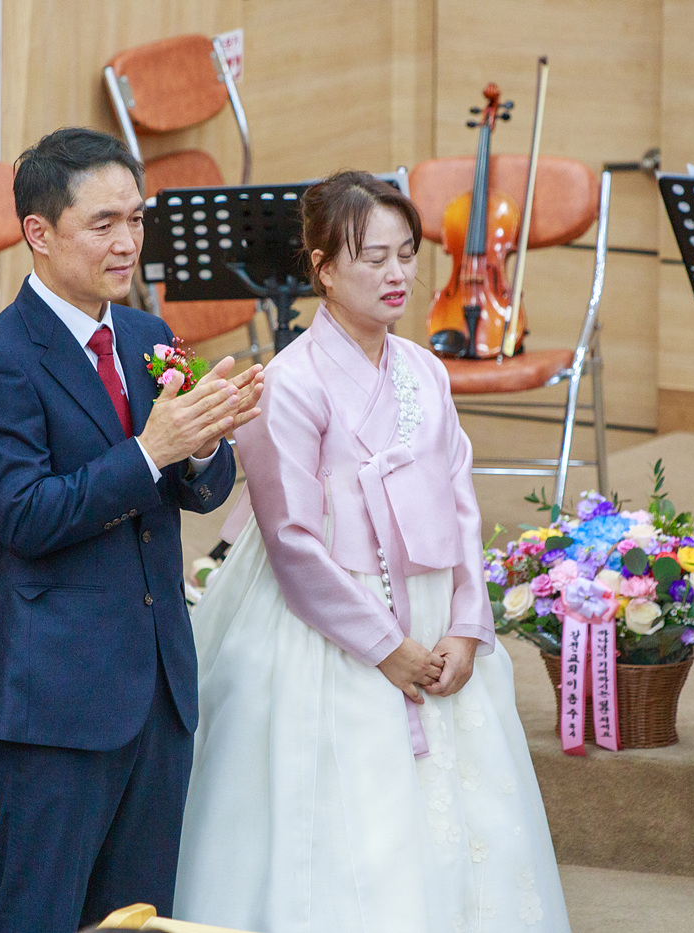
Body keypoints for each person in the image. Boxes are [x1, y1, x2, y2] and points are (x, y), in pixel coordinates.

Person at [173, 171, 570, 933]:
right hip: (331, 616)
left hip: (431, 601)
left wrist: (466, 624)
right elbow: (290, 539)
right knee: (350, 818)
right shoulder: (287, 382)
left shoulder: (425, 368)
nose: (397, 275)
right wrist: (388, 647)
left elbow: (460, 501)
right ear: (324, 268)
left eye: (406, 255)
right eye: (373, 258)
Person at [0, 126, 263, 933]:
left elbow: (203, 488)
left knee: (141, 918)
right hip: (62, 701)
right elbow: (24, 516)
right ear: (39, 231)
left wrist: (204, 445)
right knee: (42, 917)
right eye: (104, 223)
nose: (128, 242)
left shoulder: (148, 337)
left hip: (160, 688)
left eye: (136, 219)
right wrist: (152, 449)